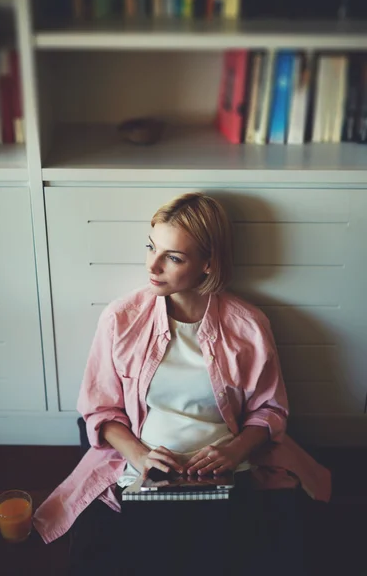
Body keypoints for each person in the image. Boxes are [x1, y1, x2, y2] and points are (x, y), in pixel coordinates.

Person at [34, 192, 331, 576]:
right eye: (150, 247)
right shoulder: (121, 319)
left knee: (222, 554)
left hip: (225, 469)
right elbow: (99, 410)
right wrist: (140, 456)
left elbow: (270, 410)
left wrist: (236, 451)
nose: (152, 266)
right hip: (145, 466)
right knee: (150, 551)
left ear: (209, 264)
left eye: (173, 257)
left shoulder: (249, 326)